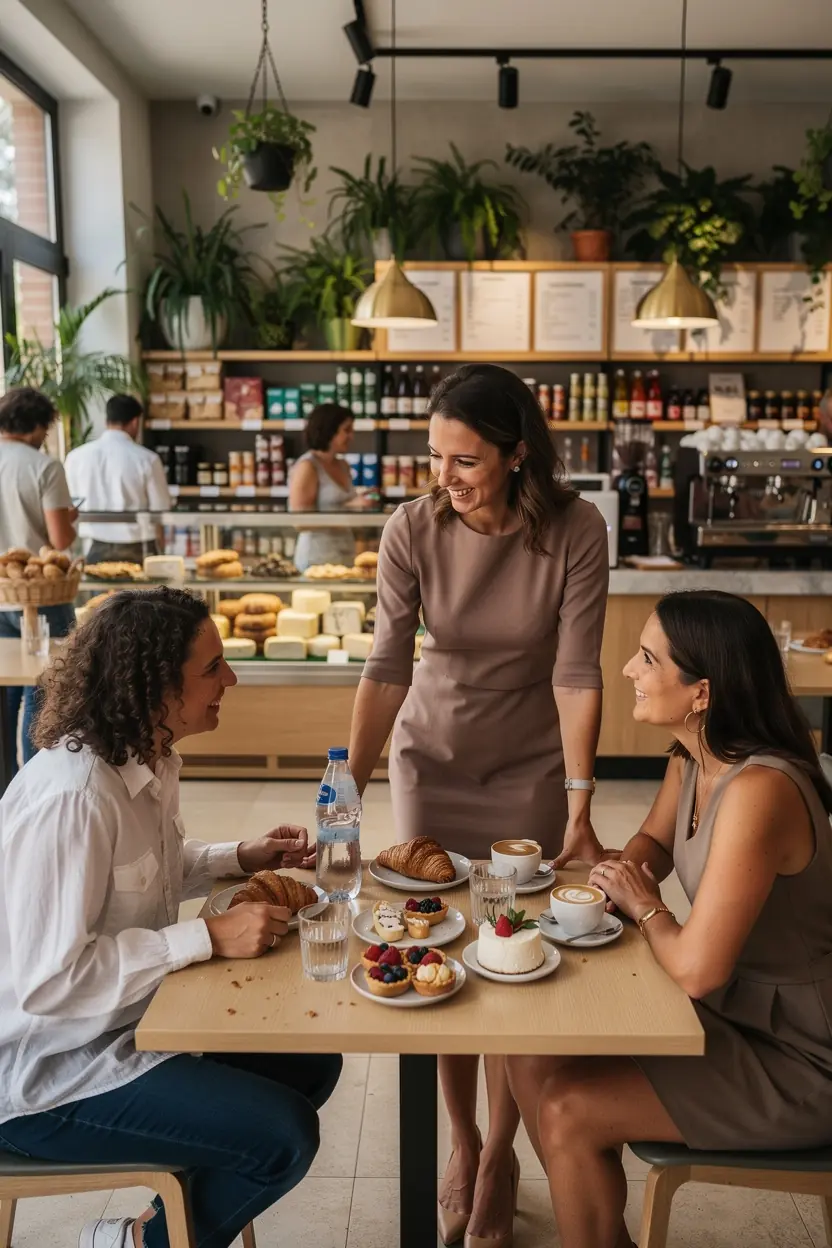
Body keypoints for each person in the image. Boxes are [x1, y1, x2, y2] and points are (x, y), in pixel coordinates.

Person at [346, 363, 610, 1248]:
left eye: (464, 460)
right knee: (437, 948)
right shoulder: (411, 528)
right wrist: (349, 785)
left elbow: (577, 672)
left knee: (513, 951)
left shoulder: (575, 530)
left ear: (516, 453)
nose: (445, 477)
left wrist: (578, 802)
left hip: (531, 763)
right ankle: (459, 1140)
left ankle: (501, 1156)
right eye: (434, 457)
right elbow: (388, 666)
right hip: (434, 760)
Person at [0, 587, 342, 1248]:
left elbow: (143, 871)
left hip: (122, 1027)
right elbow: (50, 982)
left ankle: (169, 1224)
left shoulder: (144, 759)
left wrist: (237, 857)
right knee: (282, 1136)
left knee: (311, 1062)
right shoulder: (75, 798)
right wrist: (205, 936)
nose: (231, 679)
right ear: (155, 685)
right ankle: (139, 1244)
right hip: (43, 1077)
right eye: (213, 667)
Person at [506, 590, 832, 1248]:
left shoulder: (760, 790)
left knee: (568, 1108)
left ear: (701, 692)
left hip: (801, 1056)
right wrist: (613, 879)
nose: (629, 668)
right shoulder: (695, 757)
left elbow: (695, 970)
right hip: (732, 1011)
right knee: (527, 1045)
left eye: (648, 658)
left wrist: (643, 904)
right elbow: (652, 843)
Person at [0, 386, 77, 774]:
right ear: (35, 426)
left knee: (3, 695)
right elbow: (59, 540)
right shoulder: (44, 467)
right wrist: (70, 520)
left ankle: (4, 790)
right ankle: (38, 782)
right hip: (44, 596)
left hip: (2, 594)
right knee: (47, 692)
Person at [64, 393, 172, 564]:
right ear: (135, 422)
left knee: (97, 583)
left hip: (92, 545)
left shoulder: (75, 457)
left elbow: (69, 505)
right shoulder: (147, 459)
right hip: (138, 546)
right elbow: (161, 509)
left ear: (107, 420)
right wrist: (161, 551)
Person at [288, 403, 369, 571]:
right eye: (346, 430)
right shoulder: (307, 467)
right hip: (317, 559)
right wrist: (349, 508)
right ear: (329, 430)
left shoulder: (343, 465)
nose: (351, 436)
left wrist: (362, 501)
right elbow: (299, 522)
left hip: (345, 555)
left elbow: (346, 504)